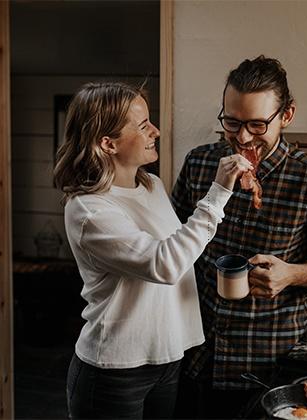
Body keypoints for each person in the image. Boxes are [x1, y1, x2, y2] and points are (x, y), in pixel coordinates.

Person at [171, 56, 307, 418]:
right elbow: (170, 243)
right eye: (232, 121)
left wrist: (292, 273)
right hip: (193, 355)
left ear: (286, 116)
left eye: (257, 124)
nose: (242, 137)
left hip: (265, 370)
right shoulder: (198, 164)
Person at [53, 81, 253, 419]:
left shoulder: (152, 185)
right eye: (143, 125)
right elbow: (165, 264)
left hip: (167, 359)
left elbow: (180, 247)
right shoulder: (89, 210)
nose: (156, 131)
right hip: (114, 370)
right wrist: (218, 192)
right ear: (108, 143)